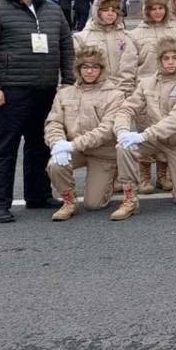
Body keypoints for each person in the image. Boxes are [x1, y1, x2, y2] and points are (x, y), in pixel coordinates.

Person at [0, 0, 74, 223]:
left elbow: (66, 46)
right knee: (3, 148)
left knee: (40, 145)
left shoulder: (52, 10)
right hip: (10, 91)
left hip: (45, 90)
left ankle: (38, 195)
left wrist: (69, 80)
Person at [112, 36, 176, 217]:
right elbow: (127, 108)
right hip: (155, 141)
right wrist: (122, 131)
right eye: (166, 58)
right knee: (124, 147)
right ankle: (130, 198)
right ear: (159, 60)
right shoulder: (146, 83)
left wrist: (144, 135)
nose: (170, 62)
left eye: (175, 58)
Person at [43, 46, 124, 220]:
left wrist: (73, 144)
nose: (89, 71)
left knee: (94, 205)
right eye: (85, 67)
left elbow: (107, 130)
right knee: (55, 164)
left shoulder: (115, 95)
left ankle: (113, 173)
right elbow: (54, 123)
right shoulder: (64, 94)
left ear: (102, 69)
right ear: (78, 69)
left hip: (103, 153)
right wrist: (57, 143)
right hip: (76, 150)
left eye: (95, 67)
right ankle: (69, 202)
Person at [129, 0, 176, 193]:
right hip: (145, 91)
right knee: (145, 132)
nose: (158, 12)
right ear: (147, 10)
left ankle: (163, 174)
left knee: (166, 132)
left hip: (171, 89)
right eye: (153, 8)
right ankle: (144, 175)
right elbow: (130, 66)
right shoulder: (134, 35)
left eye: (161, 8)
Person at [74, 0, 138, 95]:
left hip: (123, 91)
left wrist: (124, 90)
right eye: (105, 10)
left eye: (114, 10)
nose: (110, 14)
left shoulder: (127, 36)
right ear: (97, 12)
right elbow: (79, 68)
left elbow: (129, 66)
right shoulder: (82, 38)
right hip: (93, 92)